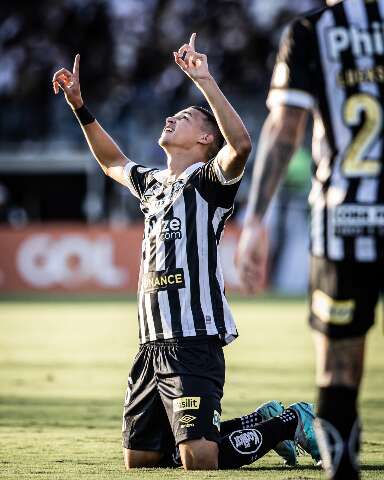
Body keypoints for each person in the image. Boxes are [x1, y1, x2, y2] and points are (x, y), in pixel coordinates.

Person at [52, 33, 319, 470]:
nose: (172, 118)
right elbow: (113, 163)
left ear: (204, 140)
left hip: (194, 338)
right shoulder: (153, 184)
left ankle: (286, 423)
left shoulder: (209, 183)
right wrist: (80, 107)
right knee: (141, 460)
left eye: (186, 117)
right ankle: (259, 421)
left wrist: (205, 82)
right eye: (175, 113)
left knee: (199, 459)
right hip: (150, 341)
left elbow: (242, 146)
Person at [236, 1, 384, 479]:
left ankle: (342, 470)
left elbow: (284, 130)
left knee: (337, 368)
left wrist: (255, 218)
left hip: (344, 222)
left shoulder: (312, 31)